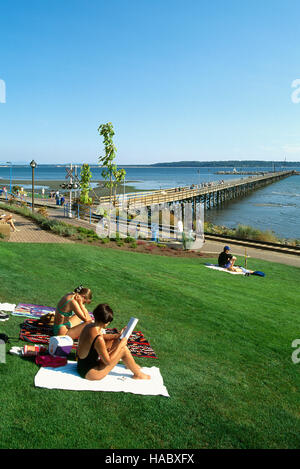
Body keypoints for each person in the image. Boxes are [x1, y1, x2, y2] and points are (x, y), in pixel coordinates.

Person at [77, 303, 151, 381]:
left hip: (81, 367)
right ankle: (138, 374)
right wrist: (120, 345)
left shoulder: (89, 326)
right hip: (90, 373)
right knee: (123, 349)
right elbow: (108, 362)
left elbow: (101, 336)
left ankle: (131, 366)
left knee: (116, 341)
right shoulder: (99, 339)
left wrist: (117, 336)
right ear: (107, 322)